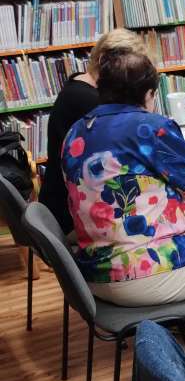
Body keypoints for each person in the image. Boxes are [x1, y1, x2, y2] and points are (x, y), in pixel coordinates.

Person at [61, 48, 185, 356]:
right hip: (135, 275)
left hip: (92, 271)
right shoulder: (150, 127)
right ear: (150, 94)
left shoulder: (77, 130)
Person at [39, 28, 147, 234]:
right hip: (74, 217)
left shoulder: (78, 84)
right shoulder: (92, 103)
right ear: (105, 62)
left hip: (68, 202)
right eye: (130, 70)